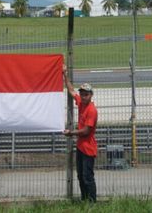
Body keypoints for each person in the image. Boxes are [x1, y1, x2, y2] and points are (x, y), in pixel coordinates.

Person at [63, 66, 98, 202]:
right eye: (82, 93)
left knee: (87, 177)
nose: (83, 96)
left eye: (86, 94)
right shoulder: (82, 103)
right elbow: (71, 90)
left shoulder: (91, 110)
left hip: (88, 149)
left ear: (91, 95)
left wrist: (71, 133)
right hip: (80, 147)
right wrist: (64, 74)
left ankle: (92, 202)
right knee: (80, 176)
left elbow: (86, 131)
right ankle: (84, 200)